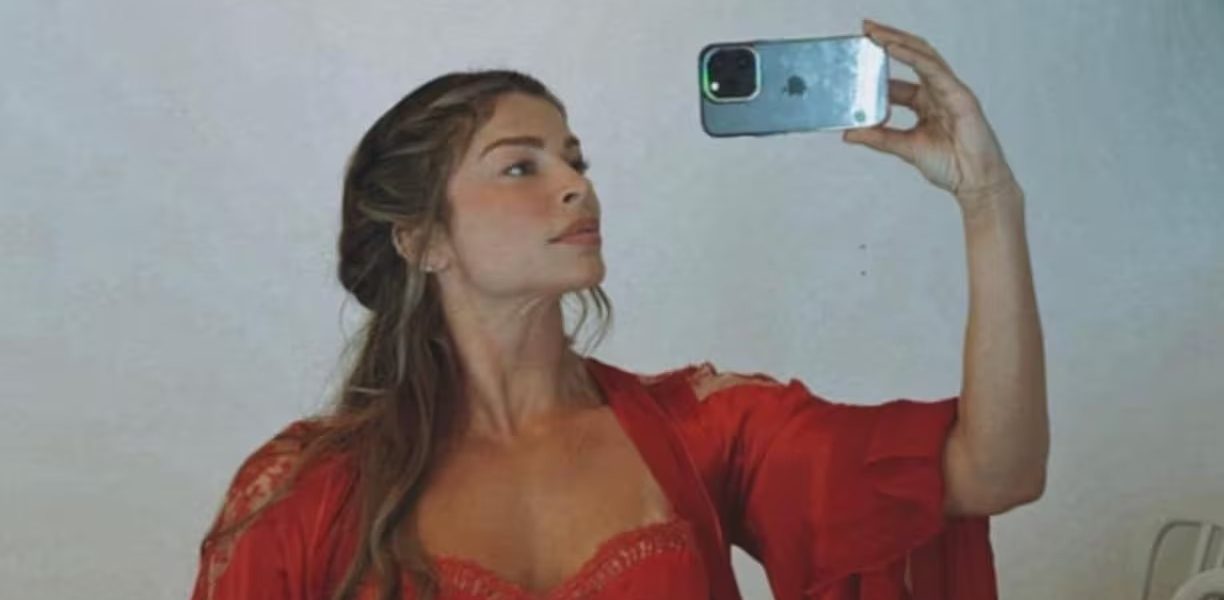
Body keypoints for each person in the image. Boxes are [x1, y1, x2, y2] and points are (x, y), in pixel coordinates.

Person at [191, 18, 1047, 600]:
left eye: (576, 160)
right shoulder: (304, 490)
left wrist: (989, 199)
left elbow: (995, 471)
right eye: (520, 166)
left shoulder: (706, 429)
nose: (576, 185)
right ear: (422, 239)